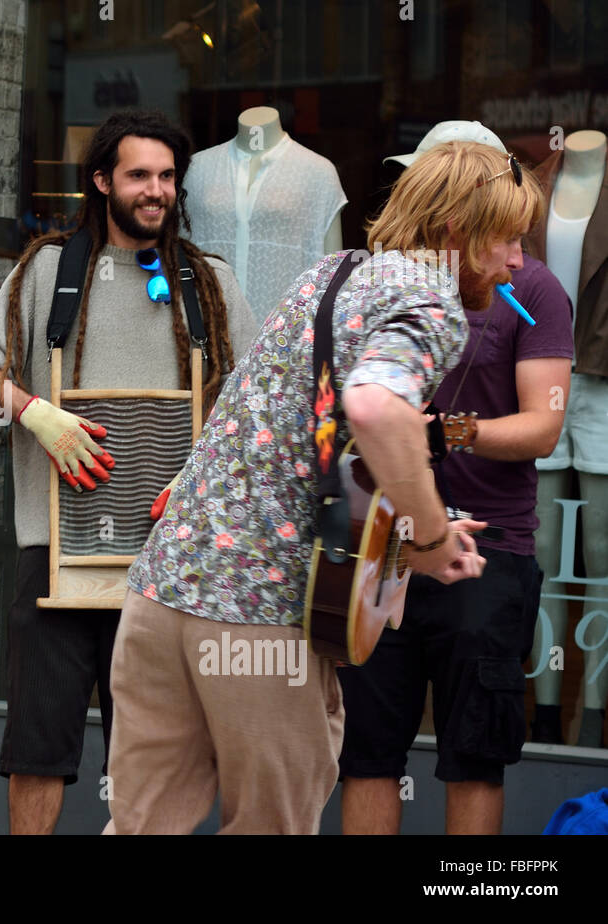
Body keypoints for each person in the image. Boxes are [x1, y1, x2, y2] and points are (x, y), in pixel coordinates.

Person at [107, 140, 542, 834]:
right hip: (257, 616)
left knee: (142, 826)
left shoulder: (334, 274)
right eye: (509, 238)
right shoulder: (430, 300)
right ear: (458, 231)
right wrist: (429, 540)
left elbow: (318, 455)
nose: (519, 260)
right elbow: (376, 408)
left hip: (161, 592)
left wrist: (412, 532)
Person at [0, 108, 259, 834]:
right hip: (56, 556)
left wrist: (201, 474)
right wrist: (37, 414)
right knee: (38, 753)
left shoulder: (208, 284)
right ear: (101, 181)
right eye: (139, 175)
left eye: (167, 176)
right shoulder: (48, 271)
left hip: (171, 567)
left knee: (154, 761)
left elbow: (254, 408)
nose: (156, 190)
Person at [339, 124, 568, 835]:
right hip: (384, 539)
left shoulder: (529, 283)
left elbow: (544, 427)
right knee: (366, 752)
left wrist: (449, 431)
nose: (512, 255)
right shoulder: (375, 277)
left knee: (476, 753)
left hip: (490, 547)